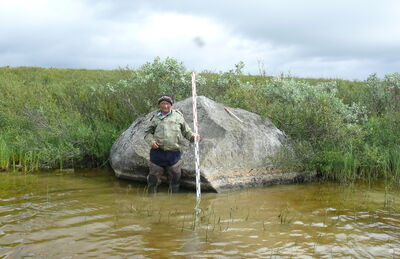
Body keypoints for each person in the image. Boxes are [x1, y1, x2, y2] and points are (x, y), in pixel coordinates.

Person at [144, 95, 199, 193]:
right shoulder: (155, 118)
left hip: (174, 153)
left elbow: (186, 132)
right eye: (163, 104)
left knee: (175, 179)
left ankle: (174, 201)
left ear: (171, 105)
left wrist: (193, 137)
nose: (165, 106)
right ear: (159, 105)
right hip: (157, 153)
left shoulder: (178, 116)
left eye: (167, 104)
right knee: (153, 179)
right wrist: (151, 142)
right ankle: (151, 200)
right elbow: (147, 133)